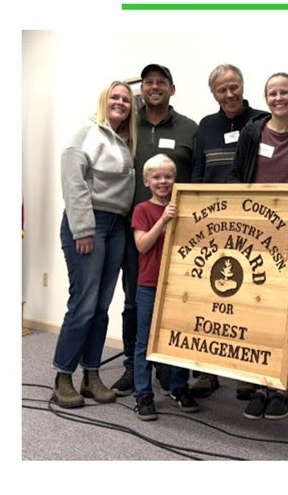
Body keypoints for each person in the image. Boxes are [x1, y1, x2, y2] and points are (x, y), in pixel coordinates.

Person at [227, 72, 288, 419]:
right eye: (272, 93)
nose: (278, 97)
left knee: (286, 311)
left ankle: (280, 388)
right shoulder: (253, 131)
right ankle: (256, 383)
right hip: (254, 230)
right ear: (265, 98)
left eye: (284, 92)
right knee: (254, 307)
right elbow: (237, 175)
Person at [111, 64, 198, 397]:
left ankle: (170, 372)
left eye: (161, 82)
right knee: (135, 301)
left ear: (172, 89)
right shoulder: (127, 126)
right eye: (148, 82)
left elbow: (198, 175)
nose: (154, 87)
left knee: (176, 303)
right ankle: (134, 370)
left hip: (181, 233)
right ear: (142, 90)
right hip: (136, 226)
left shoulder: (190, 128)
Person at [51, 81, 136, 408]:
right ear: (104, 101)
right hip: (89, 224)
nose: (120, 102)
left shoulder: (125, 140)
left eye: (126, 99)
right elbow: (73, 181)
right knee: (84, 304)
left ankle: (91, 375)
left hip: (116, 227)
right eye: (115, 97)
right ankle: (63, 376)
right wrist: (83, 228)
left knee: (101, 307)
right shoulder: (86, 133)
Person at [185, 63, 266, 399]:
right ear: (214, 94)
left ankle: (247, 375)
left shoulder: (262, 121)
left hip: (252, 225)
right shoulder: (205, 126)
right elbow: (197, 174)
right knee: (208, 300)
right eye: (222, 90)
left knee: (248, 301)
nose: (230, 94)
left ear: (243, 86)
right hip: (211, 225)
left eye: (234, 87)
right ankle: (206, 372)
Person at [130, 154, 201, 420]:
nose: (163, 181)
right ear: (147, 180)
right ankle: (143, 394)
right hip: (149, 284)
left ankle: (179, 388)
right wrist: (163, 221)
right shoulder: (142, 210)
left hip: (179, 286)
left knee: (181, 337)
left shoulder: (182, 206)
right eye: (157, 177)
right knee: (144, 341)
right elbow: (142, 245)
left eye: (168, 176)